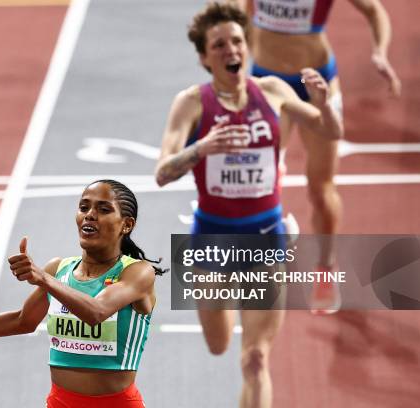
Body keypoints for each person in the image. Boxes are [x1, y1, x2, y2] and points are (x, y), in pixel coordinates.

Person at [154, 3, 342, 407]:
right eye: (218, 45)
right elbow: (162, 172)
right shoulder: (192, 103)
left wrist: (324, 102)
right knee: (219, 344)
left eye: (236, 41)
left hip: (266, 238)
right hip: (212, 241)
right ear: (205, 57)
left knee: (255, 360)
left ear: (247, 45)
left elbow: (331, 130)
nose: (230, 50)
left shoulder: (273, 91)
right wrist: (202, 148)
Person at [0, 179, 165, 408]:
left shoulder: (137, 273)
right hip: (60, 402)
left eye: (103, 209)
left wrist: (44, 280)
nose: (89, 215)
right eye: (84, 207)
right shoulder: (59, 270)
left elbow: (96, 312)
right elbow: (22, 320)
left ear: (126, 225)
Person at [244, 0, 401, 313]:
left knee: (321, 188)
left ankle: (325, 269)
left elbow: (374, 10)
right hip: (265, 81)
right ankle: (271, 242)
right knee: (258, 182)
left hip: (316, 84)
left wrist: (379, 52)